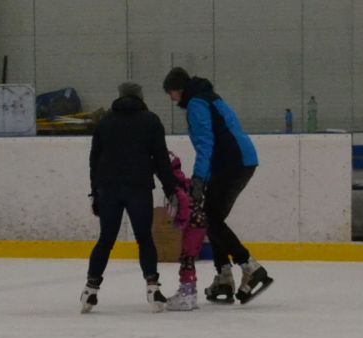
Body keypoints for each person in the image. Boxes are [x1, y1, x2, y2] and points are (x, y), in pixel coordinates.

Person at [162, 67, 272, 304]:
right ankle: (224, 276)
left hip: (231, 163)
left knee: (210, 218)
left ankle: (250, 267)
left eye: (170, 93)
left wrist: (199, 178)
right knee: (210, 218)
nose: (171, 99)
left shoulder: (196, 104)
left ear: (178, 89)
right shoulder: (210, 97)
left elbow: (206, 143)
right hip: (241, 160)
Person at [83, 81, 177, 314]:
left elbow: (94, 160)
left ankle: (90, 290)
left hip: (108, 188)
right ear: (140, 97)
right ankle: (153, 288)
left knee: (106, 239)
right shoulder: (151, 121)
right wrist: (171, 190)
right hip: (139, 188)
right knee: (144, 238)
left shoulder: (105, 122)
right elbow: (161, 159)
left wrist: (95, 192)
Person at [161, 149, 207, 310]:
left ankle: (187, 293)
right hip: (200, 222)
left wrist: (180, 221)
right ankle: (191, 293)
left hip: (192, 224)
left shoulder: (174, 184)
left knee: (187, 258)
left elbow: (184, 202)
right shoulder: (184, 180)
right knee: (189, 258)